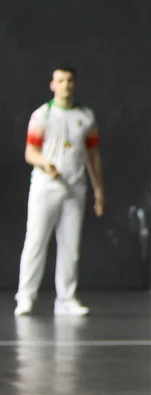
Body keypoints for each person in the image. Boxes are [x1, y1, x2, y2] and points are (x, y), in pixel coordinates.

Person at [15, 67, 104, 316]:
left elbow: (93, 155)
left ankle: (66, 299)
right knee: (36, 241)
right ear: (52, 85)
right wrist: (45, 164)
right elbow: (30, 152)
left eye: (69, 80)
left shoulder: (86, 116)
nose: (65, 85)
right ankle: (25, 297)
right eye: (60, 80)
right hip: (46, 187)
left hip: (75, 188)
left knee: (70, 247)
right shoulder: (42, 115)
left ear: (74, 84)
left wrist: (99, 190)